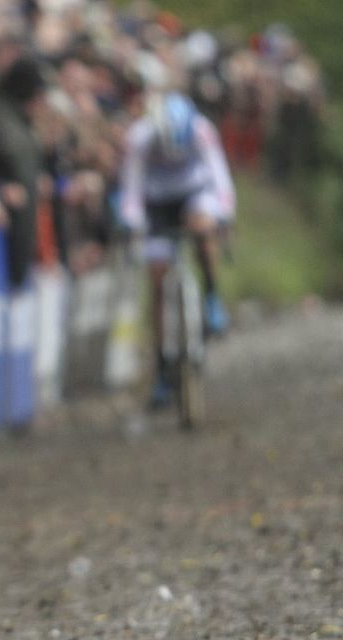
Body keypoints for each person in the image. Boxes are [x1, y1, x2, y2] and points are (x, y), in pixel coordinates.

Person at [119, 90, 235, 406]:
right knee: (157, 278)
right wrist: (132, 222)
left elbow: (220, 178)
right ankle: (162, 364)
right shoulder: (139, 138)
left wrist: (223, 216)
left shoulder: (202, 131)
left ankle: (211, 294)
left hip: (193, 194)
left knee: (202, 227)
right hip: (156, 202)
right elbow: (130, 189)